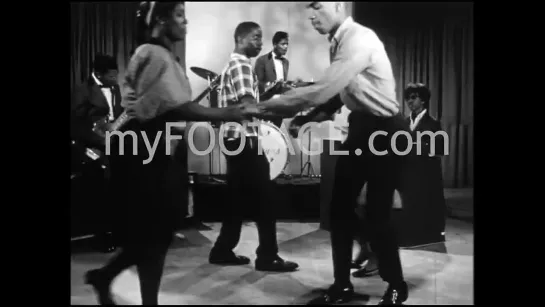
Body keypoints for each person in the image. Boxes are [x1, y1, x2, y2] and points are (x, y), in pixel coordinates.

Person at [83, 2, 256, 305]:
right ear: (160, 20)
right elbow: (175, 106)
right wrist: (225, 113)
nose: (185, 23)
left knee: (158, 233)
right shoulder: (153, 54)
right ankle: (133, 291)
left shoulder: (161, 55)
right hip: (147, 150)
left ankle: (107, 277)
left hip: (158, 148)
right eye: (179, 16)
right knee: (156, 234)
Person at [252, 2, 410, 305]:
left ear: (338, 5)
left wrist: (261, 106)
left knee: (378, 214)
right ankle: (342, 285)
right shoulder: (337, 42)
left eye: (317, 6)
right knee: (338, 209)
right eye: (308, 8)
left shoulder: (359, 39)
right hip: (362, 126)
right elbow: (342, 91)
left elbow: (323, 88)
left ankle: (396, 284)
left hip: (387, 130)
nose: (310, 15)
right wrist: (308, 117)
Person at [207, 21, 299, 273]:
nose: (260, 42)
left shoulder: (232, 65)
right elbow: (249, 107)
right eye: (256, 37)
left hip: (233, 139)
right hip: (245, 139)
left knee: (237, 198)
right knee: (266, 198)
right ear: (240, 39)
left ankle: (222, 250)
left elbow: (247, 105)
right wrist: (284, 105)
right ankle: (267, 256)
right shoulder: (242, 66)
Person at [71, 53, 123, 253]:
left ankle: (120, 229)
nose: (115, 80)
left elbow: (117, 115)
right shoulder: (82, 91)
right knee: (102, 180)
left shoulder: (116, 88)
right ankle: (102, 234)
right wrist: (98, 142)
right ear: (98, 74)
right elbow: (77, 126)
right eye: (111, 76)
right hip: (89, 146)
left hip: (115, 142)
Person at [401, 82, 447, 246]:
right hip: (407, 175)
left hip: (426, 176)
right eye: (407, 98)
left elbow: (439, 150)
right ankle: (410, 236)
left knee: (425, 207)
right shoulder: (404, 123)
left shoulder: (433, 124)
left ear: (423, 100)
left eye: (413, 97)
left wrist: (418, 148)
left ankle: (425, 236)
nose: (409, 101)